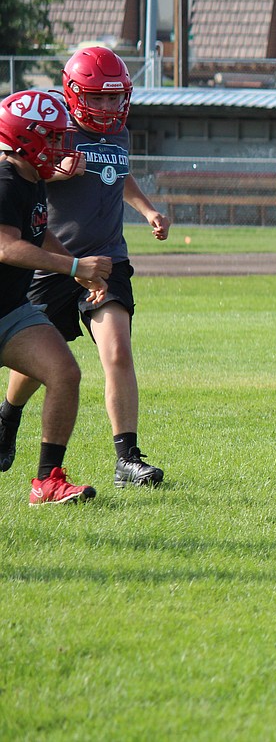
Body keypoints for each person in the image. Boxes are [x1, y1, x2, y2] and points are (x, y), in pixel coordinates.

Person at [0, 47, 171, 488]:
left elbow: (120, 174)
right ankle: (9, 414)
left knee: (117, 350)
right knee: (37, 362)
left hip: (107, 259)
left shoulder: (119, 133)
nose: (108, 108)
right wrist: (57, 170)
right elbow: (26, 171)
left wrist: (149, 210)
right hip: (54, 260)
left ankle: (127, 458)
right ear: (74, 93)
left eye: (116, 99)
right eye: (98, 98)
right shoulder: (55, 127)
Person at [0, 89, 112, 504]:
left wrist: (77, 269)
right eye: (51, 139)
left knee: (64, 373)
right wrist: (72, 268)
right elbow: (6, 247)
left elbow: (36, 230)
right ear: (26, 140)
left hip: (10, 311)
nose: (60, 148)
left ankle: (47, 481)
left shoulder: (31, 179)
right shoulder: (6, 181)